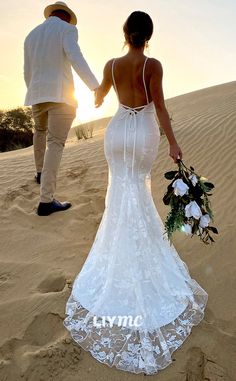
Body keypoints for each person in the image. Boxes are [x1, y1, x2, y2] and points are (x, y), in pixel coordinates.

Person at [63, 11, 208, 375]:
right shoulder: (153, 65)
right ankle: (139, 256)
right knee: (135, 192)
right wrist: (173, 143)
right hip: (141, 135)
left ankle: (119, 254)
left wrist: (96, 95)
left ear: (125, 33)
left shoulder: (111, 65)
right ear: (149, 36)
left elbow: (98, 96)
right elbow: (158, 106)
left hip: (116, 135)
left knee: (121, 193)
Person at [23, 1, 99, 216]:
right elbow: (75, 57)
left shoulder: (31, 35)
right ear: (66, 16)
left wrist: (35, 91)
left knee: (39, 132)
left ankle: (40, 173)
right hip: (61, 95)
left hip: (37, 95)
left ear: (51, 15)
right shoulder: (68, 29)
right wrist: (94, 86)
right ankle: (46, 201)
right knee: (55, 143)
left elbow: (26, 70)